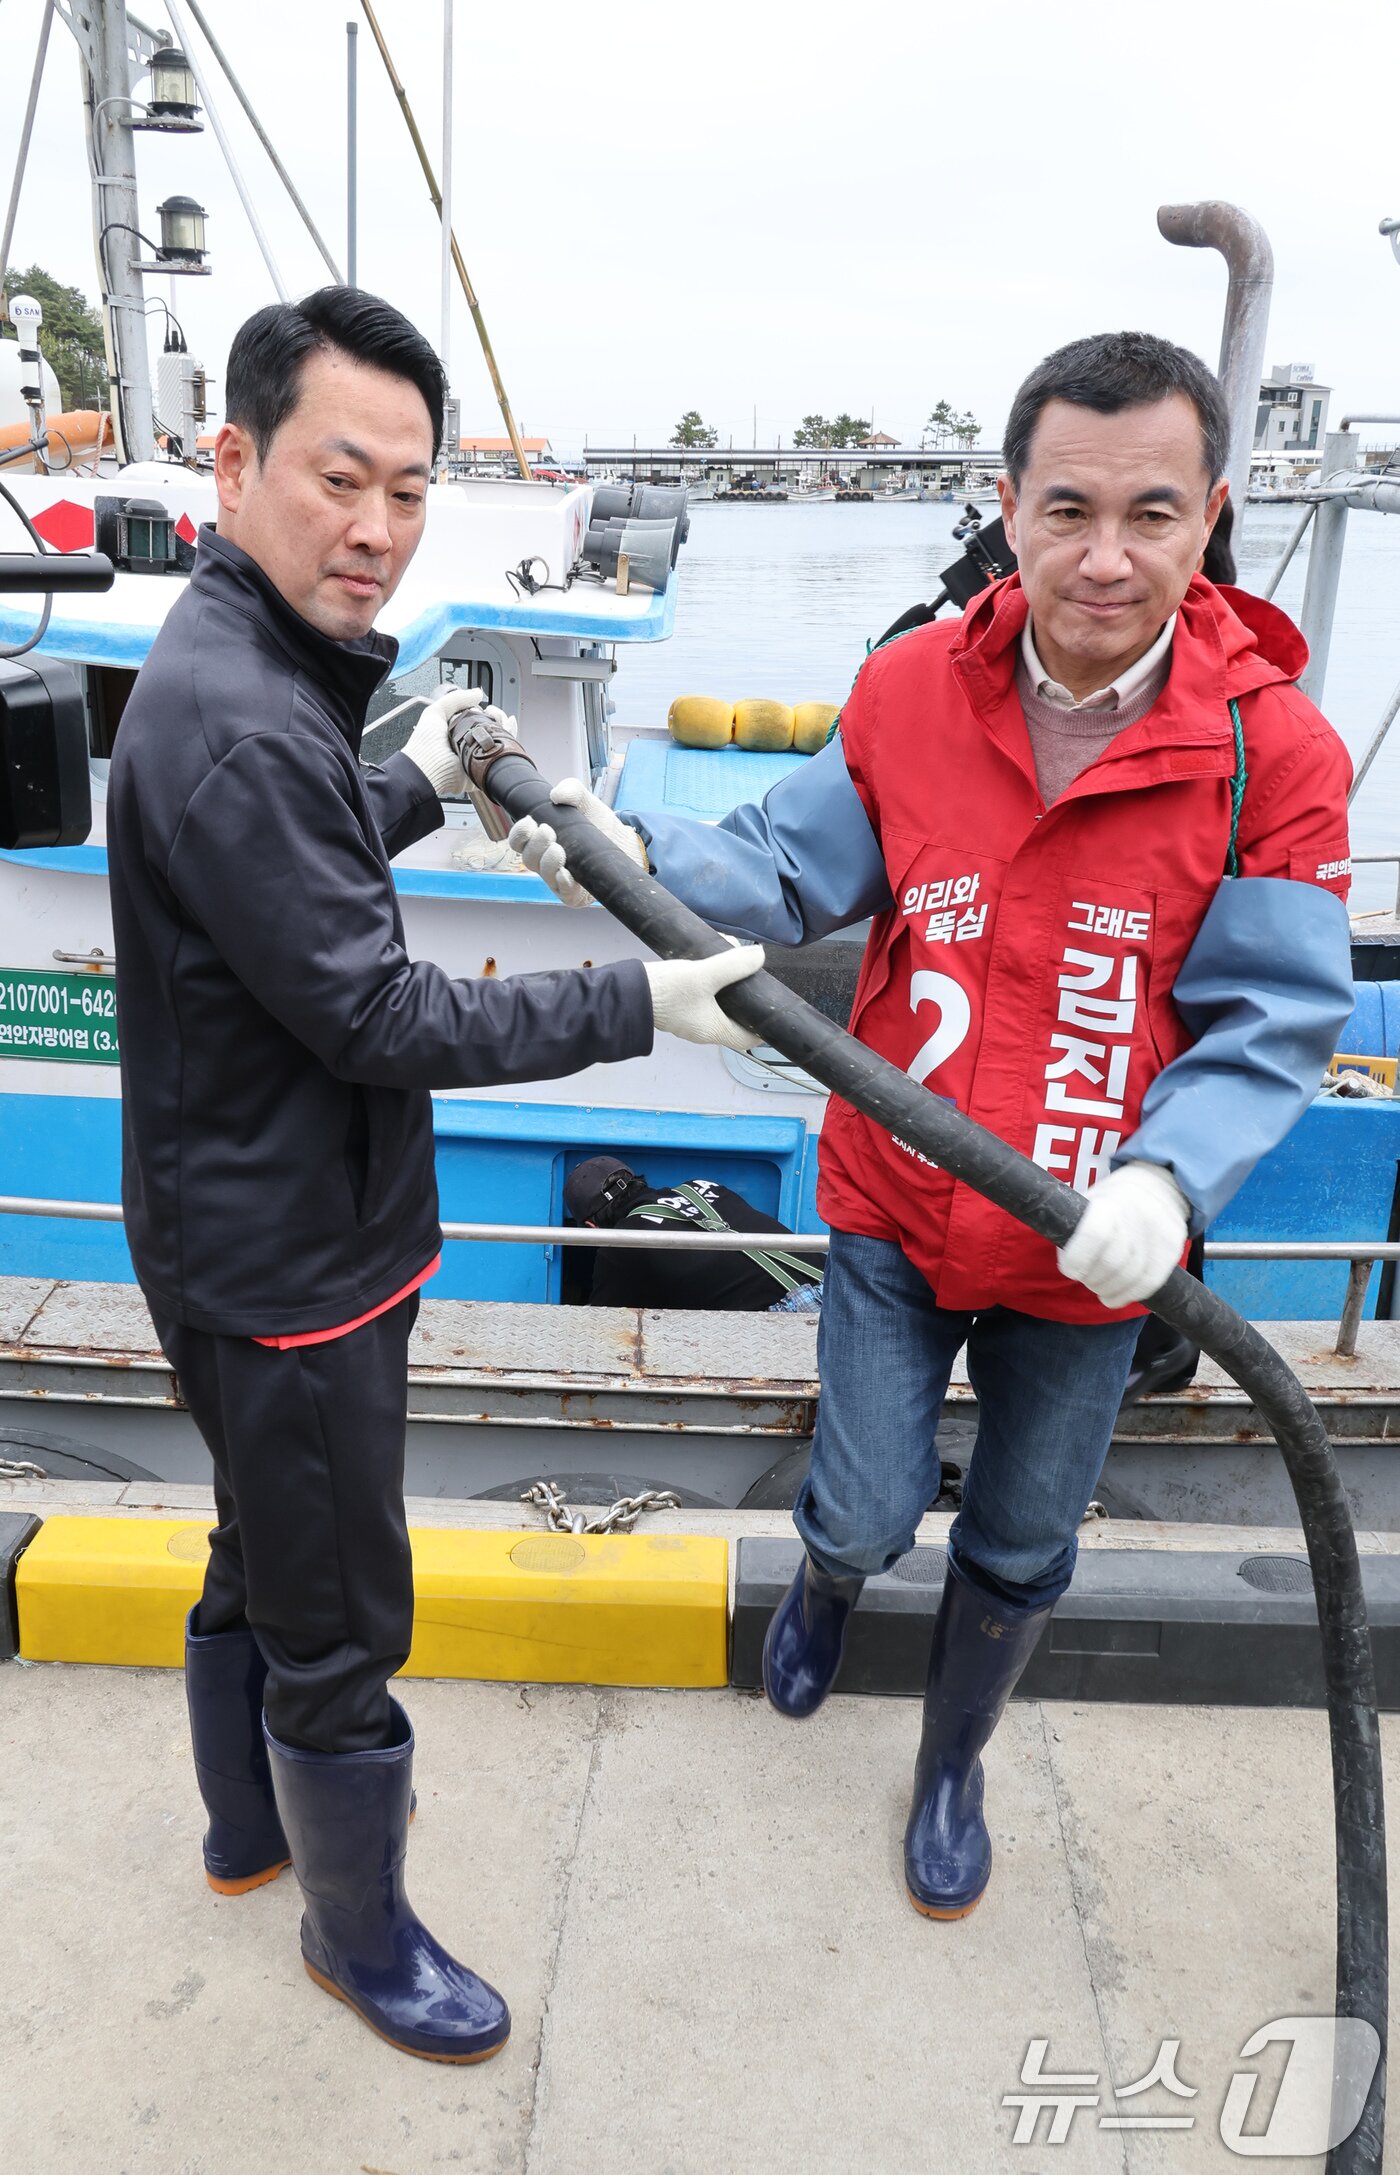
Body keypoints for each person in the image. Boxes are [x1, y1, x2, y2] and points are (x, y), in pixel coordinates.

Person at [510, 330, 1354, 1920]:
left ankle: (954, 1759)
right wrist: (628, 849)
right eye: (1069, 508)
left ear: (1212, 513)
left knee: (1028, 1536)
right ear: (1010, 505)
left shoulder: (1275, 753)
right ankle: (828, 1587)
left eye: (1154, 514)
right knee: (866, 1496)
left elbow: (1271, 1018)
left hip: (1089, 1246)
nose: (1108, 558)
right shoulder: (910, 687)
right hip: (897, 1203)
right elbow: (783, 864)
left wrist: (1171, 1180)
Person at [105, 285, 763, 2061]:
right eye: (341, 478)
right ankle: (358, 1934)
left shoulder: (233, 670)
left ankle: (248, 1839)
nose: (379, 530)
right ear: (234, 463)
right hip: (297, 1262)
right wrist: (644, 994)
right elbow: (379, 1014)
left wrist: (417, 784)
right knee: (340, 1612)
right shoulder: (240, 716)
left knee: (263, 1545)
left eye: (410, 490)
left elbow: (297, 849)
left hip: (230, 1225)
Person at [563, 1154, 824, 1312]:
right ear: (636, 1182)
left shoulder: (621, 1243)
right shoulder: (702, 1186)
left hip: (791, 1319)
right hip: (834, 1287)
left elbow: (602, 1326)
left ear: (591, 1228)